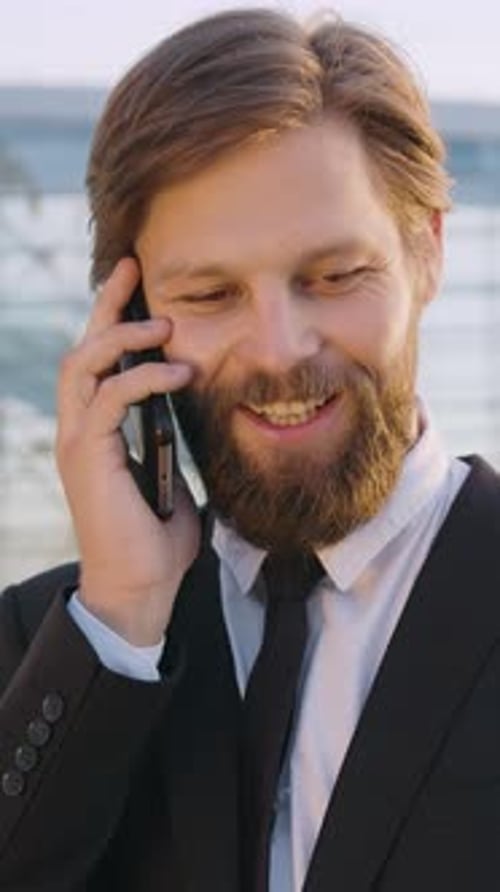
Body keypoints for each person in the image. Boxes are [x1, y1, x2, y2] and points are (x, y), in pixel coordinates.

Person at [0, 7, 499, 892]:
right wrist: (120, 614)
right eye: (210, 293)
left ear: (427, 250)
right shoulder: (53, 648)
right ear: (129, 322)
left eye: (335, 277)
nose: (277, 348)